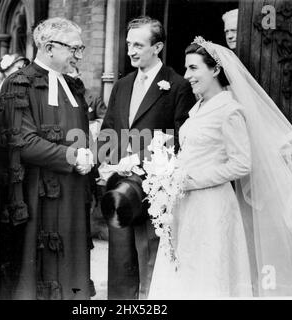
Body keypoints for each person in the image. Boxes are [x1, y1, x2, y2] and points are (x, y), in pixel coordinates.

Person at [148, 36, 292, 298]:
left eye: (194, 68)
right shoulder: (198, 107)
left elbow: (241, 165)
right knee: (181, 273)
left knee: (206, 274)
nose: (187, 76)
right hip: (185, 203)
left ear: (216, 69)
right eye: (186, 68)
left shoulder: (229, 110)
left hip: (211, 206)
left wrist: (189, 180)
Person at [0, 17, 94, 300]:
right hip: (38, 195)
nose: (79, 55)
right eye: (74, 48)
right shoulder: (18, 84)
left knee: (72, 275)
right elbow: (21, 141)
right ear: (49, 47)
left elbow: (79, 135)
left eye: (81, 48)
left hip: (73, 195)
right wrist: (73, 156)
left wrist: (90, 154)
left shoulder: (74, 86)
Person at [100, 16, 195, 299]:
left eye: (138, 45)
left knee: (149, 255)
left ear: (158, 47)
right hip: (120, 186)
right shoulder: (123, 84)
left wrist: (139, 163)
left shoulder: (177, 85)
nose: (130, 50)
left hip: (154, 188)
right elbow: (109, 128)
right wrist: (108, 163)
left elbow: (179, 138)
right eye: (129, 44)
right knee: (120, 258)